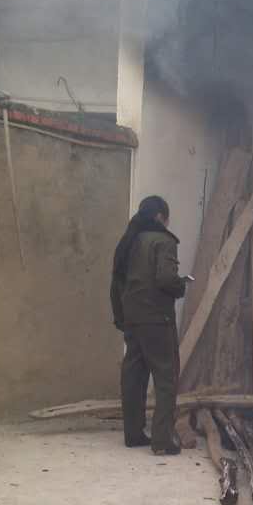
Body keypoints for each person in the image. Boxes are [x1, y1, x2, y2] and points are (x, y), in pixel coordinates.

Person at [110, 195, 188, 456]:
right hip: (157, 319)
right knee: (166, 377)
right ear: (160, 217)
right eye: (167, 218)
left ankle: (133, 434)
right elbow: (166, 279)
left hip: (132, 318)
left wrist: (121, 317)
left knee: (134, 376)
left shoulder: (129, 241)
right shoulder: (163, 241)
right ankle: (162, 440)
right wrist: (181, 285)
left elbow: (116, 282)